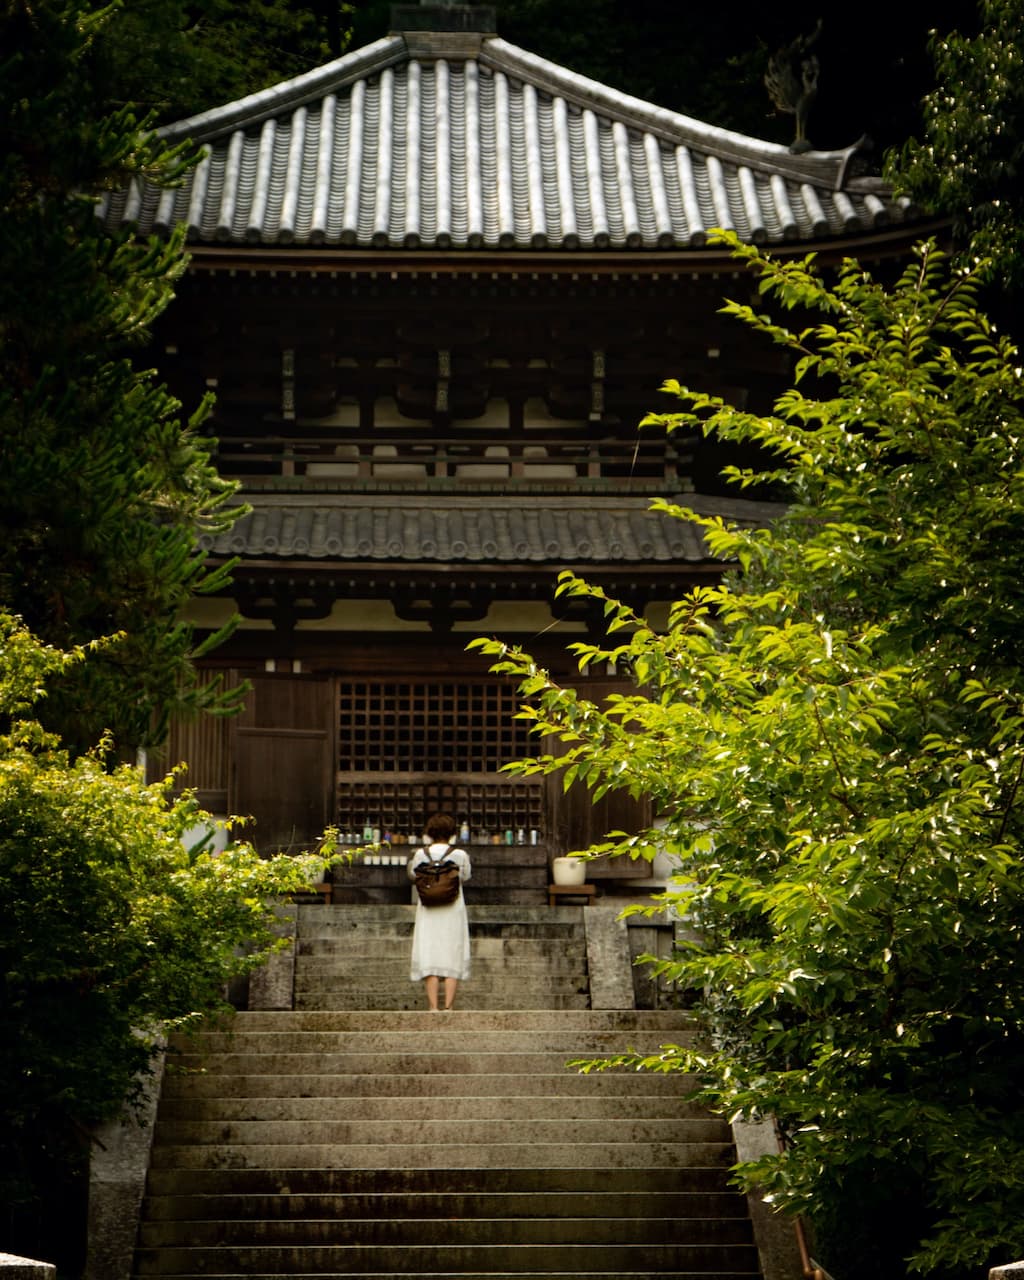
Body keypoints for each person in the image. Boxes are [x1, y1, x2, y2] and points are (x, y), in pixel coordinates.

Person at [407, 812, 471, 1011]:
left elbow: (413, 875)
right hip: (453, 908)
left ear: (430, 832)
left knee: (429, 951)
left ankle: (433, 1006)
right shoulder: (460, 855)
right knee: (452, 952)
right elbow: (466, 876)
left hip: (428, 909)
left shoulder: (420, 854)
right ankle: (449, 1006)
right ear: (452, 832)